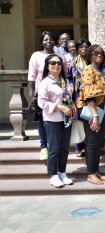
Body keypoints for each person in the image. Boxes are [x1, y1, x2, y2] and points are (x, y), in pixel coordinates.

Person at [37, 54, 75, 188]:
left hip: (66, 119)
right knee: (53, 148)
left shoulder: (65, 81)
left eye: (59, 63)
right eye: (53, 63)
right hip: (52, 119)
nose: (56, 65)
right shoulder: (45, 83)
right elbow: (41, 102)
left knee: (64, 149)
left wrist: (71, 106)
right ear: (48, 66)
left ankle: (62, 172)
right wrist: (59, 107)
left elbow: (69, 97)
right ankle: (53, 175)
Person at [76, 45, 105, 185]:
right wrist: (95, 115)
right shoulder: (88, 70)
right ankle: (90, 174)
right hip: (94, 112)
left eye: (101, 53)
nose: (99, 55)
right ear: (90, 55)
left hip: (102, 112)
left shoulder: (101, 71)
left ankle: (96, 170)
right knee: (91, 143)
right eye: (96, 53)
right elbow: (88, 95)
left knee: (98, 143)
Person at [28, 31, 66, 160]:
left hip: (58, 93)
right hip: (41, 93)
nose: (48, 41)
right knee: (43, 120)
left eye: (50, 39)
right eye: (45, 39)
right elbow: (32, 76)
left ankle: (55, 145)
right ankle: (44, 146)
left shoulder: (60, 57)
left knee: (56, 121)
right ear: (41, 42)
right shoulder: (36, 56)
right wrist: (31, 93)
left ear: (55, 41)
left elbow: (65, 74)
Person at [68, 38, 91, 157]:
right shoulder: (73, 63)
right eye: (81, 47)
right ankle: (79, 147)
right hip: (77, 95)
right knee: (78, 121)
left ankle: (90, 146)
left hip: (90, 95)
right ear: (77, 49)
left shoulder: (92, 62)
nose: (83, 49)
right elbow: (69, 79)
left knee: (90, 120)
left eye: (86, 47)